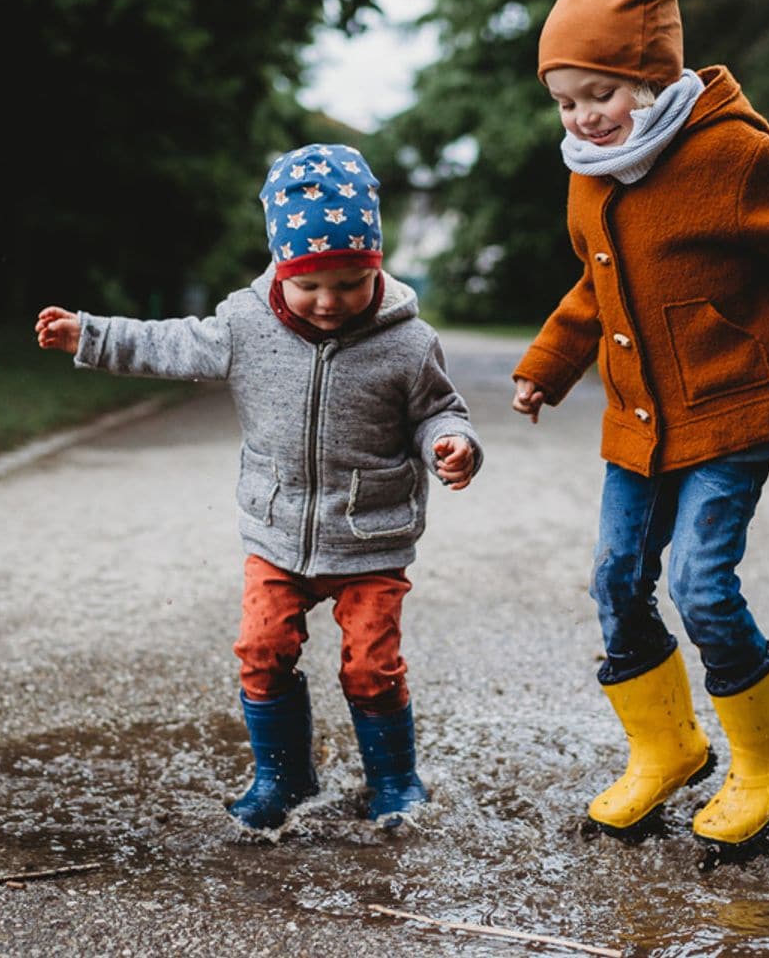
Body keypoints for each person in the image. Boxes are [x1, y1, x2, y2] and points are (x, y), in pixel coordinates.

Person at [511, 0, 769, 859]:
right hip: (639, 423)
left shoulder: (728, 154)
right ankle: (668, 748)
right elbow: (594, 287)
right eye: (565, 100)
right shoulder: (590, 175)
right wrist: (549, 364)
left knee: (699, 580)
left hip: (734, 410)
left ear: (650, 78)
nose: (581, 117)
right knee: (615, 579)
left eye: (599, 95)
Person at [37, 143, 483, 832]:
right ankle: (283, 775)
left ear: (376, 267)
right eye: (310, 286)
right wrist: (88, 335)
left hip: (370, 538)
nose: (329, 302)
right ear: (280, 267)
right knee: (261, 650)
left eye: (348, 284)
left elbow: (437, 411)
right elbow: (170, 344)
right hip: (276, 535)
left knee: (371, 666)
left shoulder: (407, 341)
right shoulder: (245, 325)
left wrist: (452, 444)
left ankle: (395, 779)